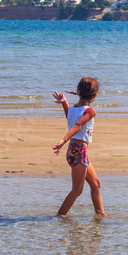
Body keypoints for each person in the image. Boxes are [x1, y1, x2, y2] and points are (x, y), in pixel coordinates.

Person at [53, 77, 106, 217]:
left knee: (96, 184)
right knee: (77, 190)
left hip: (76, 151)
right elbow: (77, 125)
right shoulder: (90, 111)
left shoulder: (72, 109)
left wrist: (64, 103)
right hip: (79, 152)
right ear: (94, 96)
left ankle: (100, 215)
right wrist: (63, 140)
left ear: (78, 91)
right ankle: (59, 217)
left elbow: (71, 120)